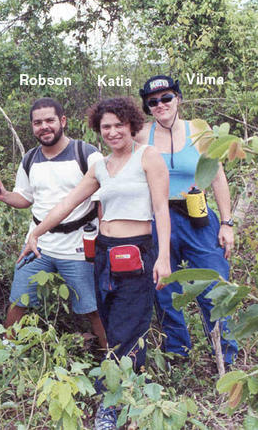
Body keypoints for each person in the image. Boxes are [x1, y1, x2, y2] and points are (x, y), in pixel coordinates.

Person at [20, 97, 170, 430]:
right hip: (104, 252)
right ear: (97, 130)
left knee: (127, 328)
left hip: (138, 252)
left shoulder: (149, 157)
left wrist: (164, 257)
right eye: (106, 127)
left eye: (119, 125)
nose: (114, 132)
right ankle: (127, 393)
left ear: (131, 124)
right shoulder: (100, 165)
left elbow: (161, 209)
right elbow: (68, 203)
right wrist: (37, 233)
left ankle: (114, 403)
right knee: (111, 323)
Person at [0, 98, 107, 349]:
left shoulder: (86, 154)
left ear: (62, 121)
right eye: (37, 122)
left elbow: (101, 201)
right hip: (38, 242)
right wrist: (4, 195)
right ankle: (7, 355)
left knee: (92, 306)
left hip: (78, 244)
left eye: (50, 120)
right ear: (32, 127)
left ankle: (111, 356)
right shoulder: (30, 159)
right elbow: (26, 198)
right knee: (19, 300)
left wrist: (104, 238)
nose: (44, 127)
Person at [136, 75, 238, 365]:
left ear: (178, 98)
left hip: (197, 214)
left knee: (214, 285)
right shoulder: (142, 135)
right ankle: (177, 352)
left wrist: (227, 223)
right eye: (153, 102)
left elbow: (217, 176)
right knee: (165, 288)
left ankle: (226, 356)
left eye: (166, 98)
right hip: (159, 217)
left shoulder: (199, 130)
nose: (160, 105)